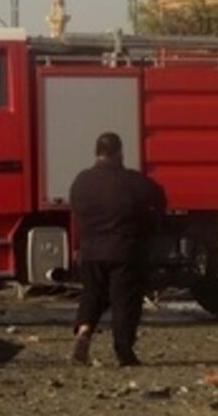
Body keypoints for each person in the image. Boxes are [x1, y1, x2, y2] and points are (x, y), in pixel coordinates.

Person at [69, 133, 167, 366]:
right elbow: (159, 198)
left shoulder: (82, 181)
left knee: (92, 294)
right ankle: (124, 351)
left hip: (91, 250)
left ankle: (84, 330)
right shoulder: (132, 181)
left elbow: (75, 212)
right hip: (124, 251)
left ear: (97, 153)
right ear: (119, 153)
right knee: (125, 302)